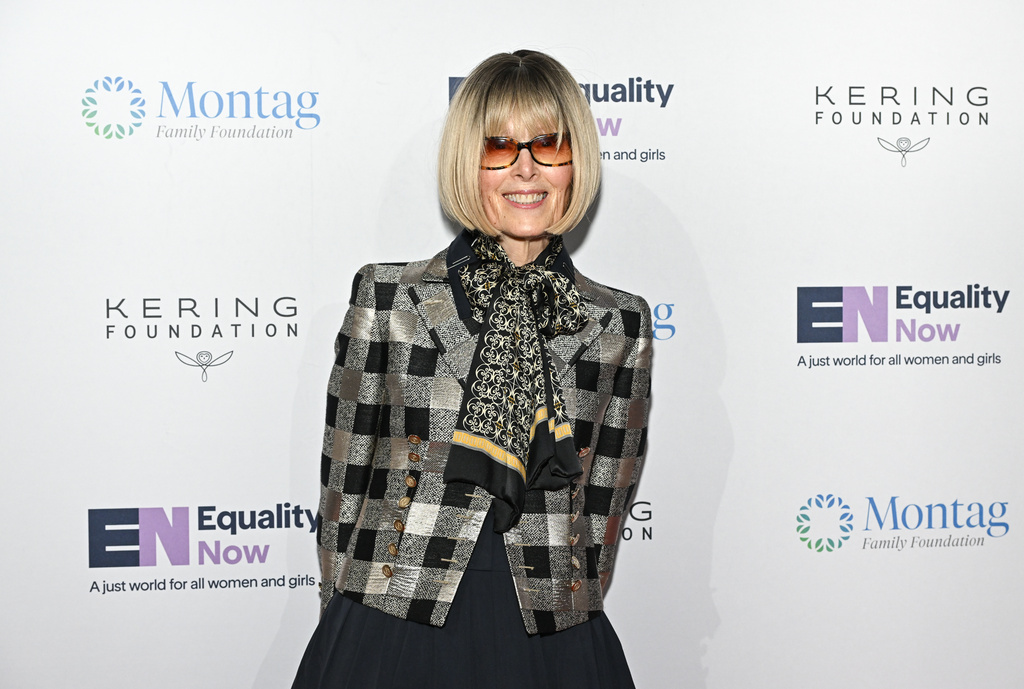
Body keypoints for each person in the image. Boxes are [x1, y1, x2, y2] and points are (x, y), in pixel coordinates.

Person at [292, 49, 652, 689]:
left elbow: (603, 509)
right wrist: (343, 631)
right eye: (498, 147)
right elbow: (342, 493)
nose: (526, 169)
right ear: (468, 161)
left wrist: (568, 608)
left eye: (549, 143)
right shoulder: (390, 300)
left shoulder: (618, 324)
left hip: (550, 639)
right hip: (390, 622)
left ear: (576, 161)